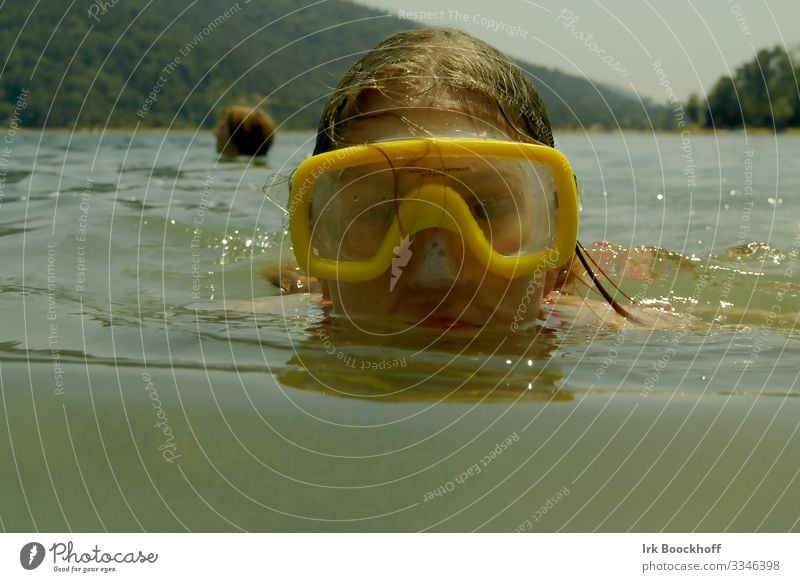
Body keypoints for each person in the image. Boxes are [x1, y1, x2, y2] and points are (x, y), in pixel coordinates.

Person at [280, 28, 671, 330]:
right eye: (382, 211)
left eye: (483, 208)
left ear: (555, 236)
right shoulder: (244, 325)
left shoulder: (621, 329)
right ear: (318, 240)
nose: (439, 275)